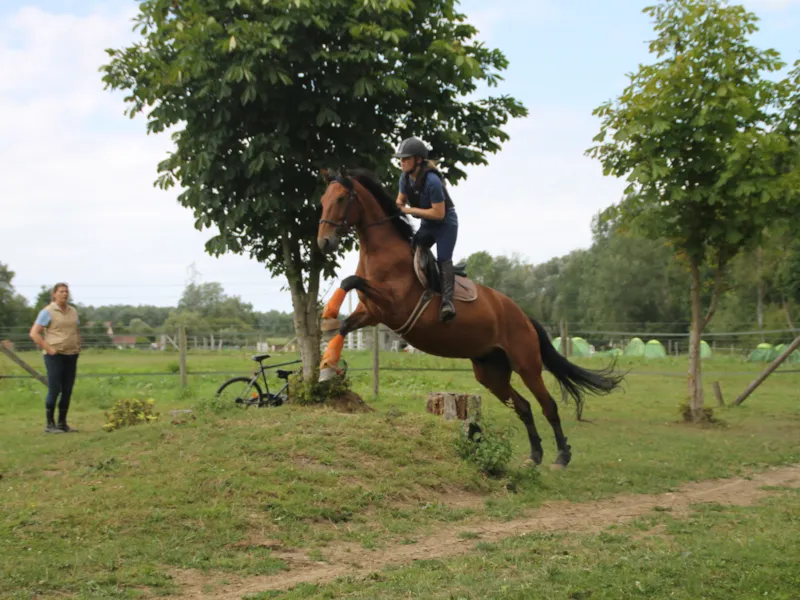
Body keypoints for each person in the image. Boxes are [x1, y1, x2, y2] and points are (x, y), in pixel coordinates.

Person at [394, 137, 460, 322]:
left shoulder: (432, 181)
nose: (402, 162)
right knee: (413, 248)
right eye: (401, 158)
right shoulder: (404, 178)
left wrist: (410, 210)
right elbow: (400, 201)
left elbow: (439, 214)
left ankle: (447, 303)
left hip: (445, 224)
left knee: (443, 259)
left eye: (406, 158)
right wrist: (398, 207)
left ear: (418, 160)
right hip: (427, 224)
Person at [29, 283, 81, 433]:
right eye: (61, 292)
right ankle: (49, 424)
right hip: (55, 355)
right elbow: (34, 333)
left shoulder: (73, 311)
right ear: (54, 294)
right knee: (55, 389)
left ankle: (62, 423)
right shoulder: (47, 312)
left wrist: (78, 345)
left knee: (67, 389)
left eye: (66, 291)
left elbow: (76, 330)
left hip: (71, 354)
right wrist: (49, 349)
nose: (64, 294)